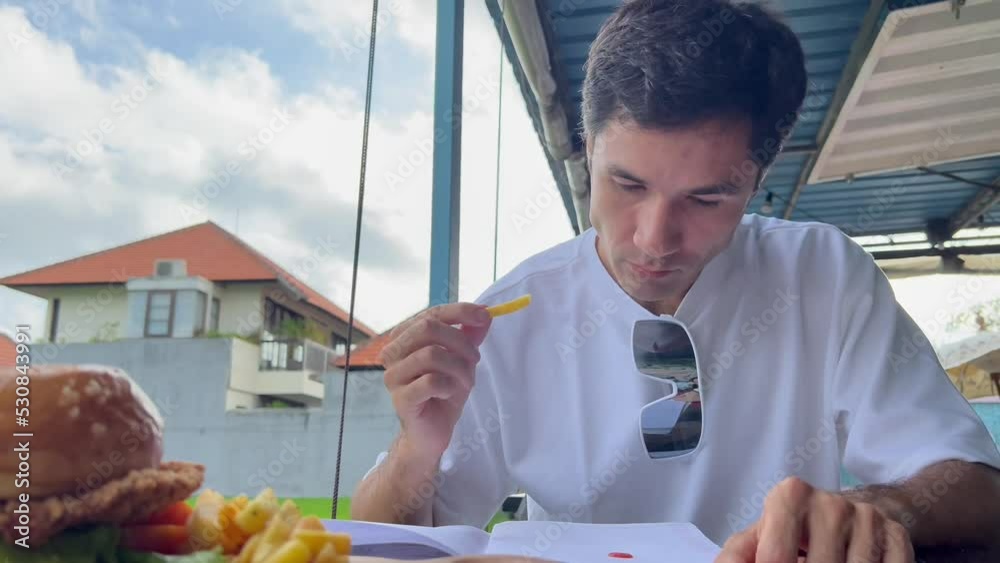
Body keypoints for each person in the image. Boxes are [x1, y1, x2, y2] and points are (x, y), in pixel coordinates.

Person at [351, 0, 1000, 561]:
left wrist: (871, 508)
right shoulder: (514, 315)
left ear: (758, 177)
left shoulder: (822, 277)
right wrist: (417, 449)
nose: (653, 239)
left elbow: (977, 488)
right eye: (627, 184)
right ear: (587, 147)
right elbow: (378, 539)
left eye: (709, 197)